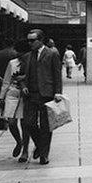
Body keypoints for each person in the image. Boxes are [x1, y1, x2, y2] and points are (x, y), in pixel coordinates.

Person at [22, 29, 63, 165]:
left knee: (46, 126)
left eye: (32, 40)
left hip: (47, 94)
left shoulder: (52, 54)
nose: (30, 43)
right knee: (28, 123)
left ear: (40, 40)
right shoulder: (27, 56)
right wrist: (23, 86)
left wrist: (58, 92)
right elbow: (21, 75)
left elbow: (57, 74)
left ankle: (44, 155)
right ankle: (40, 145)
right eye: (28, 40)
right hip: (31, 95)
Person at [0, 40, 33, 161]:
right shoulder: (12, 63)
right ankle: (19, 142)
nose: (19, 54)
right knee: (12, 122)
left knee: (25, 124)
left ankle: (25, 151)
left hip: (25, 94)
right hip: (12, 93)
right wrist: (1, 97)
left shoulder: (31, 62)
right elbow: (6, 81)